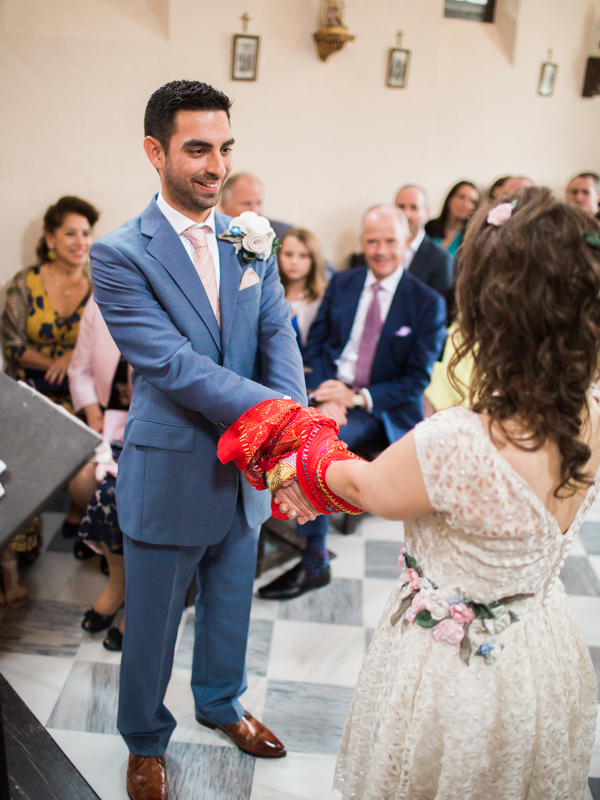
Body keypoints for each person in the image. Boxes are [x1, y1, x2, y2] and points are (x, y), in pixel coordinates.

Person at [243, 186, 600, 799]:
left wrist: (289, 440)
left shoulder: (459, 441)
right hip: (538, 653)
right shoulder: (591, 414)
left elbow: (358, 483)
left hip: (456, 673)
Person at [90, 80, 307, 800]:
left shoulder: (250, 237)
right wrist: (279, 417)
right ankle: (145, 742)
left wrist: (291, 430)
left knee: (231, 604)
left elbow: (277, 332)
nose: (215, 167)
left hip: (245, 470)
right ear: (155, 152)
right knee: (151, 625)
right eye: (196, 150)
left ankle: (220, 705)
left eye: (224, 148)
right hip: (173, 462)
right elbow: (172, 365)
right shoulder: (121, 253)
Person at [257, 206, 446, 601]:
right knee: (270, 423)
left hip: (379, 407)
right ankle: (271, 513)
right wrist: (329, 388)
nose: (380, 250)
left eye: (390, 241)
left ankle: (314, 558)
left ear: (406, 241)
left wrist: (355, 396)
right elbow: (321, 344)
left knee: (311, 443)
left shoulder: (426, 302)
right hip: (328, 391)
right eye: (372, 241)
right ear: (362, 243)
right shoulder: (342, 282)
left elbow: (415, 380)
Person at [1, 195, 99, 563]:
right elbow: (12, 344)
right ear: (50, 239)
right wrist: (52, 361)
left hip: (77, 392)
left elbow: (104, 343)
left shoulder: (98, 289)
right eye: (70, 233)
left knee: (91, 446)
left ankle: (82, 515)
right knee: (21, 448)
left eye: (86, 233)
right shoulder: (24, 283)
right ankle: (19, 548)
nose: (80, 242)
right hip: (29, 389)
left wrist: (73, 356)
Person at [68, 297, 131, 650]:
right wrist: (93, 414)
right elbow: (81, 369)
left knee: (119, 492)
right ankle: (118, 578)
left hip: (161, 425)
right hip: (113, 422)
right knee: (86, 481)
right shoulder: (101, 301)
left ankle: (137, 593)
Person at [394, 185, 453, 294]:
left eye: (414, 207)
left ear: (426, 213)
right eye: (401, 207)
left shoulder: (440, 260)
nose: (407, 214)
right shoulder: (379, 252)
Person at [277, 227, 327, 352]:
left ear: (314, 259)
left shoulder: (323, 298)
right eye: (288, 254)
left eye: (303, 255)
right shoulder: (270, 294)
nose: (294, 261)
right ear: (278, 256)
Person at [221, 172, 291, 240]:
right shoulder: (213, 235)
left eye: (258, 203)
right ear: (224, 205)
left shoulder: (284, 235)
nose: (255, 210)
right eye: (246, 204)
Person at [425, 181, 479, 258]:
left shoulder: (472, 239)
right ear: (450, 199)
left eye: (472, 201)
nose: (466, 204)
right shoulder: (427, 227)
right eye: (462, 197)